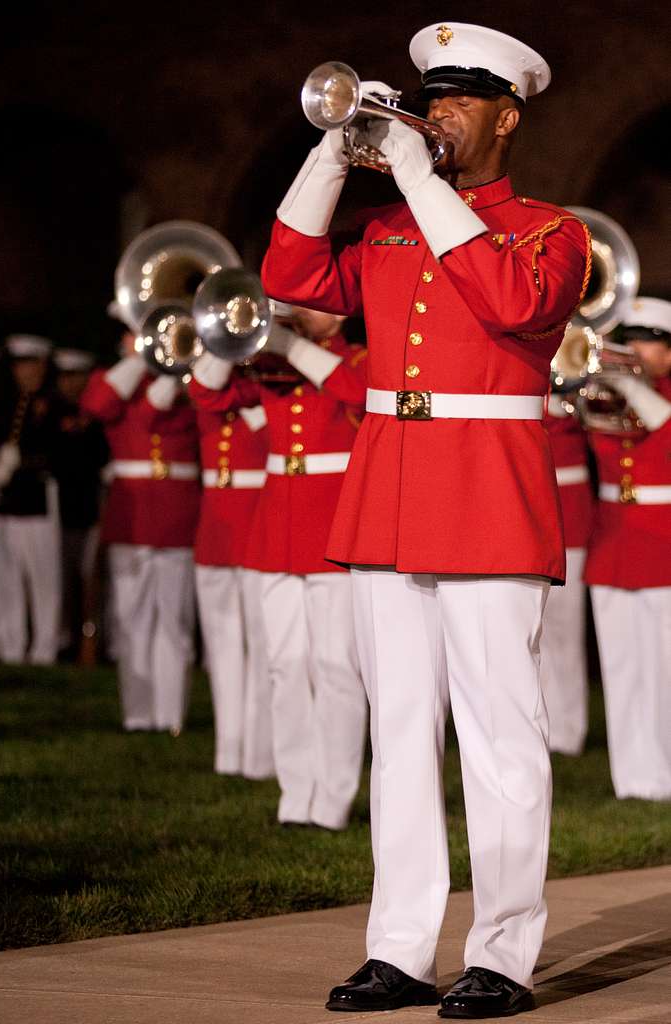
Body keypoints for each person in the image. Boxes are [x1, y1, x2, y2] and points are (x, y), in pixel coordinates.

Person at [261, 22, 590, 1018]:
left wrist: (413, 175)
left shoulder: (547, 231)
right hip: (389, 497)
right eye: (424, 97)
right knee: (400, 733)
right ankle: (398, 948)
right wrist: (330, 153)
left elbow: (503, 304)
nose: (432, 113)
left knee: (498, 735)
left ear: (504, 114)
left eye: (455, 100)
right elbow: (286, 279)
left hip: (486, 499)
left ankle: (502, 953)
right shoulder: (391, 229)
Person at [190, 308, 368, 830]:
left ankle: (333, 798)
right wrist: (230, 339)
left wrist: (291, 347)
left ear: (338, 313)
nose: (296, 310)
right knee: (285, 664)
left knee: (336, 665)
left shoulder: (355, 356)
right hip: (276, 528)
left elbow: (357, 393)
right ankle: (295, 795)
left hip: (332, 523)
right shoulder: (269, 364)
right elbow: (207, 395)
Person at [81, 337, 200, 733]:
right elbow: (96, 405)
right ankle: (137, 715)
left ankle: (171, 716)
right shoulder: (115, 379)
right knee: (131, 620)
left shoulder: (186, 377)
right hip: (131, 518)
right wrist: (138, 358)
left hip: (176, 514)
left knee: (174, 621)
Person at [584, 296, 671, 801]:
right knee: (623, 671)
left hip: (662, 543)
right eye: (631, 339)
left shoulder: (657, 397)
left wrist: (632, 388)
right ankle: (635, 780)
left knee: (663, 667)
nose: (636, 349)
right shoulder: (604, 395)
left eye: (650, 342)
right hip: (613, 543)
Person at [192, 369, 273, 778]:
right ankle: (228, 751)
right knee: (221, 650)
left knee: (263, 647)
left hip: (258, 524)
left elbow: (276, 440)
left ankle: (260, 756)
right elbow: (204, 385)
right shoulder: (209, 381)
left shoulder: (270, 386)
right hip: (216, 534)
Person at [0, 334, 63, 664]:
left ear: (43, 367)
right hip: (8, 505)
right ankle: (12, 645)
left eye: (31, 365)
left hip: (39, 503)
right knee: (8, 579)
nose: (26, 372)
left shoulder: (53, 405)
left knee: (44, 579)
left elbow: (60, 453)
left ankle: (45, 647)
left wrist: (25, 461)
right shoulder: (4, 405)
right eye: (20, 366)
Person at [540, 393, 594, 755]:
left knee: (564, 628)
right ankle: (544, 723)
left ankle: (569, 728)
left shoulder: (578, 381)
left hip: (568, 512)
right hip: (526, 509)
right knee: (534, 629)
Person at [52, 348, 109, 662]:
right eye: (65, 377)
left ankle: (91, 641)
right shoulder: (51, 413)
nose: (69, 383)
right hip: (59, 512)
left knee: (91, 580)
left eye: (75, 376)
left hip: (91, 511)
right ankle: (66, 640)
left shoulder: (96, 416)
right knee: (62, 581)